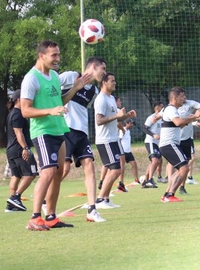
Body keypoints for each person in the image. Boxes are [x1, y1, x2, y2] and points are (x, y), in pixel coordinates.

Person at [21, 40, 85, 230]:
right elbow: (25, 110)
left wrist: (75, 88)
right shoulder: (31, 78)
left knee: (58, 173)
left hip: (59, 129)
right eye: (54, 55)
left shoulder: (55, 76)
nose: (58, 58)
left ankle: (51, 217)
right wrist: (50, 111)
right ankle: (34, 218)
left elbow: (60, 102)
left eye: (58, 54)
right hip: (43, 132)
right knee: (48, 172)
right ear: (42, 56)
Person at [59, 56, 107, 222]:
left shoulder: (93, 91)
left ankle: (92, 210)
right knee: (63, 170)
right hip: (65, 129)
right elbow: (50, 90)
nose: (105, 73)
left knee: (90, 167)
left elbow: (80, 109)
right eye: (103, 69)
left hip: (82, 133)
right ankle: (44, 199)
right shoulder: (72, 76)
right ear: (94, 66)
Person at [94, 73, 136, 209]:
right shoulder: (101, 99)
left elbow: (115, 118)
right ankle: (100, 199)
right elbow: (99, 120)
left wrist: (125, 116)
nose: (115, 83)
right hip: (105, 140)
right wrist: (116, 116)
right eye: (112, 81)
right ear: (104, 83)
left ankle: (105, 199)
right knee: (115, 170)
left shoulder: (111, 98)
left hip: (113, 139)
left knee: (116, 169)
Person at [159, 87, 200, 202]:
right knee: (184, 168)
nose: (184, 98)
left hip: (169, 145)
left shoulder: (173, 110)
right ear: (175, 98)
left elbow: (179, 125)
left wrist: (191, 119)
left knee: (181, 169)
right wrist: (193, 117)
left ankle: (167, 194)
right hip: (169, 144)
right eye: (182, 96)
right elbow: (179, 122)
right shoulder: (171, 109)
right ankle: (170, 195)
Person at [5, 89, 38, 213]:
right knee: (31, 173)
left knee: (17, 176)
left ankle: (11, 206)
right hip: (19, 149)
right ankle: (15, 197)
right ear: (19, 100)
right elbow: (18, 133)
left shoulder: (12, 113)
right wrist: (25, 148)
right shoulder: (18, 114)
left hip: (11, 150)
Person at [142, 102, 164, 188]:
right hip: (151, 141)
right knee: (155, 161)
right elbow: (145, 128)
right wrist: (153, 135)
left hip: (158, 143)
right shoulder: (151, 117)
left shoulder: (162, 119)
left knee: (155, 161)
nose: (163, 109)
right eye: (162, 107)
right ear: (157, 108)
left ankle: (145, 181)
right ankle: (150, 180)